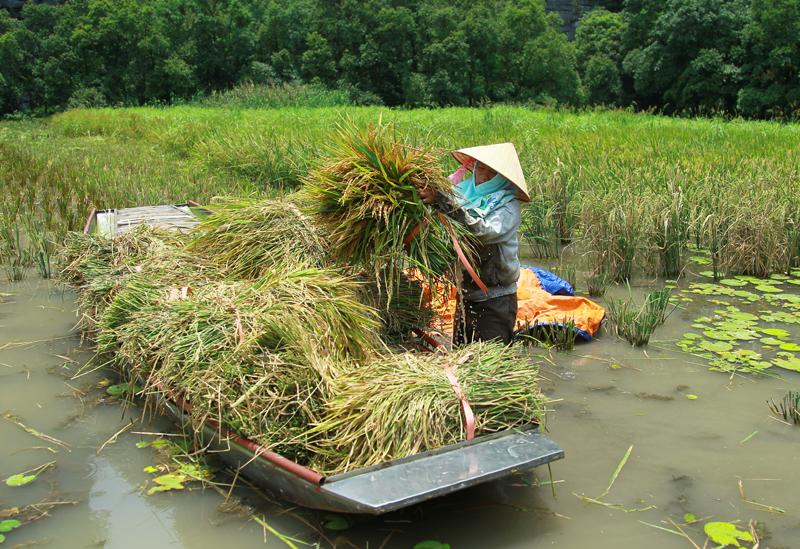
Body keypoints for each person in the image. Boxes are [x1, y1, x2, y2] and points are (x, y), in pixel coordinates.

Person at [416, 143, 530, 346]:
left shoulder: (508, 206)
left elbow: (480, 232)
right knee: (463, 357)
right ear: (474, 167)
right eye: (482, 168)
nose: (485, 175)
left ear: (503, 178)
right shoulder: (462, 194)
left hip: (496, 298)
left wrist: (442, 199)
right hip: (465, 295)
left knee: (492, 365)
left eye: (493, 172)